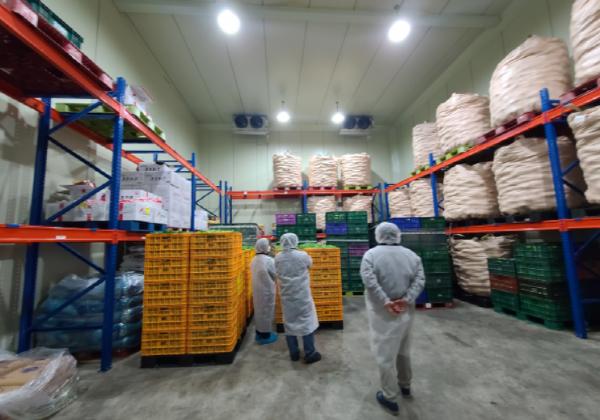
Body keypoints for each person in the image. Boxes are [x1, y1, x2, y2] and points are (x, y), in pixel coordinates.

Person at [360, 222, 425, 415]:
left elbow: (369, 281)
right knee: (404, 350)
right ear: (398, 235)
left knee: (384, 355)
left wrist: (386, 302)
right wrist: (406, 300)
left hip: (382, 314)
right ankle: (405, 385)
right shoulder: (412, 256)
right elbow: (420, 280)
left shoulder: (371, 255)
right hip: (405, 312)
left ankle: (389, 396)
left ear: (378, 235)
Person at [274, 233, 322, 364]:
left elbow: (276, 270)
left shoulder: (278, 257)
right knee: (306, 322)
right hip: (302, 295)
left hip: (287, 295)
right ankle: (310, 353)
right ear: (295, 241)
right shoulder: (303, 255)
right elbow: (310, 265)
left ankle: (294, 353)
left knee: (289, 322)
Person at [251, 238, 278, 345]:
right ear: (265, 247)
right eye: (268, 245)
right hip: (266, 290)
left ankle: (259, 332)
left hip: (257, 290)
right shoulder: (269, 260)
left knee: (259, 311)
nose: (269, 247)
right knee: (266, 312)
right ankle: (265, 335)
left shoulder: (254, 259)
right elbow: (275, 274)